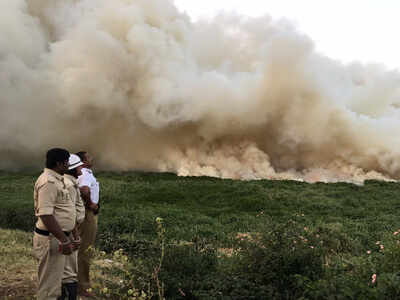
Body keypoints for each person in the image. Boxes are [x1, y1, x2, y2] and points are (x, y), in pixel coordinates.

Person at [33, 148, 77, 300]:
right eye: (66, 162)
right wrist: (63, 240)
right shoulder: (48, 182)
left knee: (60, 282)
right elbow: (45, 214)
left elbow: (64, 210)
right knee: (49, 287)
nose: (68, 165)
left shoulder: (60, 180)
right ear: (59, 163)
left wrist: (72, 235)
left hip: (60, 237)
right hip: (52, 239)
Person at [60, 154, 86, 300]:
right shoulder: (69, 185)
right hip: (69, 231)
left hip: (71, 230)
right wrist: (75, 236)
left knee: (68, 268)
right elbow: (68, 213)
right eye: (79, 166)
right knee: (69, 271)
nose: (81, 169)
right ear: (73, 168)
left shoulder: (70, 183)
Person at [75, 151, 100, 297]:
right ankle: (83, 287)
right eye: (89, 156)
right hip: (87, 214)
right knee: (85, 249)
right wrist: (91, 203)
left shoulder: (84, 172)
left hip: (84, 213)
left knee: (81, 248)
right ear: (83, 161)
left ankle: (75, 282)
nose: (92, 157)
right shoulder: (85, 173)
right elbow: (84, 189)